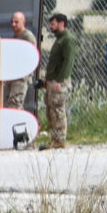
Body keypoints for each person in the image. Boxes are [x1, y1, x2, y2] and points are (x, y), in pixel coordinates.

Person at [40, 14, 73, 148]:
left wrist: (59, 81)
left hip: (59, 81)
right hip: (53, 80)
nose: (50, 27)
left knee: (57, 109)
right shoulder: (60, 39)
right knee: (51, 109)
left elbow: (68, 62)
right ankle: (55, 139)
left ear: (61, 24)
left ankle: (59, 140)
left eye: (53, 24)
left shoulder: (68, 39)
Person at [4, 11, 39, 119]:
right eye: (12, 22)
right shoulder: (16, 37)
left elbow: (32, 57)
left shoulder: (27, 37)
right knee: (13, 103)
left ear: (23, 22)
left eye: (16, 22)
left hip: (21, 77)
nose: (13, 24)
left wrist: (25, 73)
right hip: (13, 76)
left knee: (15, 104)